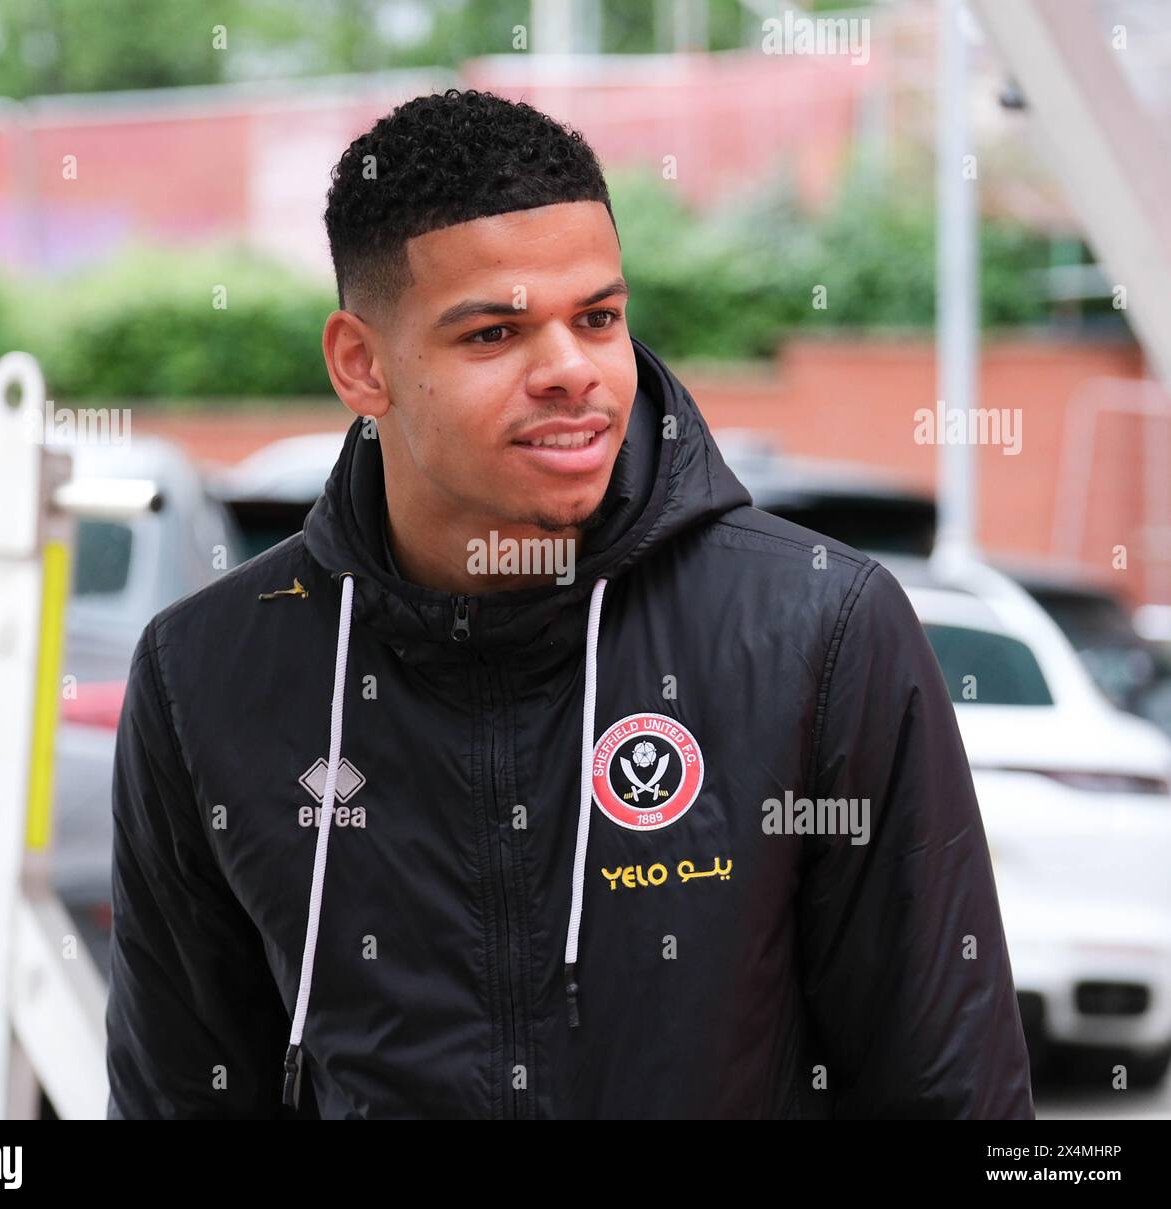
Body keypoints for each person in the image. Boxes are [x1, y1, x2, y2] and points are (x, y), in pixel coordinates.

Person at [105, 88, 1034, 1119]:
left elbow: (950, 1090)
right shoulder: (206, 672)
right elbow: (179, 1092)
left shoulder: (817, 627)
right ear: (361, 364)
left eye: (597, 319)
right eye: (494, 335)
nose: (572, 373)